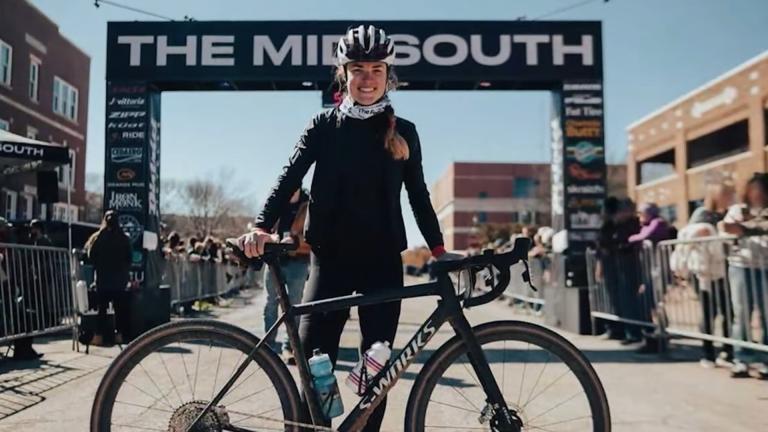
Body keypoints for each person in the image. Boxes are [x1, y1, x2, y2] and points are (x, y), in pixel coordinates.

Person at [237, 25, 445, 431]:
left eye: (376, 70)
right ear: (343, 74)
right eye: (358, 69)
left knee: (377, 371)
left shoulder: (404, 132)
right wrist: (261, 226)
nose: (367, 79)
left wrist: (438, 249)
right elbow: (288, 176)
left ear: (388, 76)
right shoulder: (323, 125)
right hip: (329, 260)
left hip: (383, 262)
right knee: (316, 367)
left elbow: (419, 195)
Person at [719, 173, 768, 378]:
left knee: (766, 314)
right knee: (741, 314)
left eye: (762, 189)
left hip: (765, 266)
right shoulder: (737, 210)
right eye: (754, 189)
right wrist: (742, 229)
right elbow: (725, 229)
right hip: (741, 265)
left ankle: (765, 359)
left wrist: (745, 228)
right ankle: (741, 359)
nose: (757, 193)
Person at [683, 182, 735, 367]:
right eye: (727, 194)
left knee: (728, 312)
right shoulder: (702, 214)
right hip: (705, 271)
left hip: (725, 268)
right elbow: (688, 237)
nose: (730, 198)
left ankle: (728, 351)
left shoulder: (729, 213)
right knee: (708, 312)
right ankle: (707, 353)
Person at [262, 189, 311, 362]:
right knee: (271, 302)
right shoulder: (277, 201)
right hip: (274, 259)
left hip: (298, 261)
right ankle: (268, 346)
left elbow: (314, 235)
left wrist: (295, 241)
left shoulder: (308, 204)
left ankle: (289, 347)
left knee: (294, 304)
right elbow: (264, 226)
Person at [629, 202, 674, 353]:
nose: (639, 216)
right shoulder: (646, 225)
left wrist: (632, 238)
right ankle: (653, 336)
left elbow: (645, 236)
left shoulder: (658, 222)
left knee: (655, 302)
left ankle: (660, 336)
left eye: (642, 213)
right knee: (648, 303)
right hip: (651, 271)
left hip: (659, 270)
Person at [85, 210, 133, 345]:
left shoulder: (98, 237)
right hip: (119, 279)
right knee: (119, 309)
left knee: (102, 309)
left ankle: (99, 336)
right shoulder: (124, 238)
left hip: (103, 278)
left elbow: (90, 256)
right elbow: (129, 258)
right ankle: (119, 335)